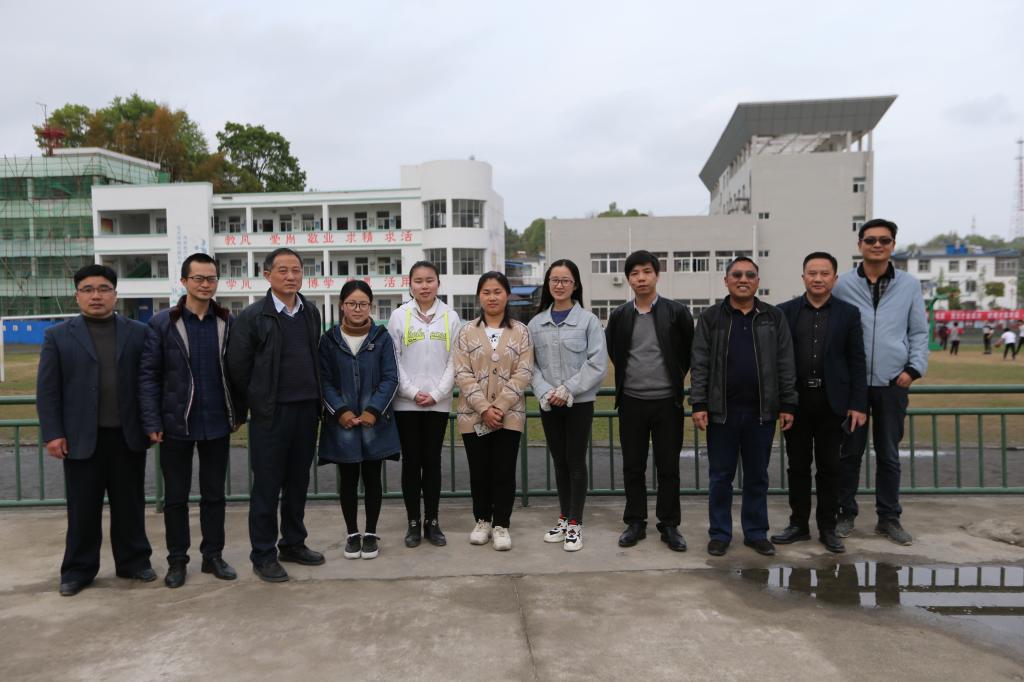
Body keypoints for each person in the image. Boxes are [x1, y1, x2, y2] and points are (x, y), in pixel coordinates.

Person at [37, 264, 155, 596]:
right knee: (82, 509)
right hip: (80, 439)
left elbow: (149, 382)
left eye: (103, 289)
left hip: (127, 436)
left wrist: (151, 424)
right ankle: (78, 570)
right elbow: (48, 390)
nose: (96, 296)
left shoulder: (138, 332)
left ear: (115, 294)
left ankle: (134, 562)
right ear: (77, 296)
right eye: (87, 289)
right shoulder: (58, 335)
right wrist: (53, 433)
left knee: (130, 505)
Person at [139, 253, 239, 588]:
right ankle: (177, 560)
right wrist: (152, 420)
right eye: (198, 278)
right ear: (184, 281)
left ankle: (213, 555)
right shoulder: (162, 323)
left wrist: (237, 412)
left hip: (217, 422)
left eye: (211, 278)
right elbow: (149, 376)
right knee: (176, 498)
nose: (205, 284)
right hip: (175, 424)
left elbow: (238, 373)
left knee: (214, 495)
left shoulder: (226, 321)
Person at [226, 247, 325, 582]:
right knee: (267, 487)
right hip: (271, 414)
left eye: (296, 270)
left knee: (298, 483)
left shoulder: (311, 312)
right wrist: (258, 400)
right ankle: (263, 554)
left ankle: (293, 543)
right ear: (267, 275)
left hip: (306, 411)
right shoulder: (253, 317)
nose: (291, 276)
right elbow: (238, 367)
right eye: (283, 270)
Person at [690, 256, 797, 557]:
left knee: (757, 477)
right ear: (726, 281)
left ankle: (755, 533)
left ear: (757, 282)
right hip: (721, 413)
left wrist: (788, 403)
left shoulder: (773, 317)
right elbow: (699, 362)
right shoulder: (711, 317)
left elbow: (785, 362)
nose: (743, 280)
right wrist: (699, 402)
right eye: (736, 274)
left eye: (750, 275)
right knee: (720, 477)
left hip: (761, 413)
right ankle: (720, 534)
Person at [833, 218, 928, 546]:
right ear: (860, 244)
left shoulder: (909, 285)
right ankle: (845, 513)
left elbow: (919, 331)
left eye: (884, 240)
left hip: (892, 383)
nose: (877, 245)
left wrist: (913, 369)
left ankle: (889, 518)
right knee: (849, 453)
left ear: (893, 245)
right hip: (853, 386)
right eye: (870, 239)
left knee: (888, 454)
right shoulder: (843, 284)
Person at [771, 252, 867, 554]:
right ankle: (798, 524)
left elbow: (857, 361)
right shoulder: (784, 312)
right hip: (796, 404)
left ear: (834, 279)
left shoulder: (848, 314)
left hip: (832, 404)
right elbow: (777, 361)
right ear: (803, 277)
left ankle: (828, 527)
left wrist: (858, 404)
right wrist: (783, 403)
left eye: (824, 273)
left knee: (830, 468)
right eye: (812, 273)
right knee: (797, 467)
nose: (818, 278)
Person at [605, 250, 693, 552]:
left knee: (669, 468)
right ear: (628, 279)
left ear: (657, 275)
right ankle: (635, 522)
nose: (641, 278)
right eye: (634, 273)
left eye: (646, 271)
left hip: (668, 403)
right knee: (633, 466)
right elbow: (615, 352)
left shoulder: (677, 312)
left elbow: (686, 352)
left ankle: (669, 524)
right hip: (632, 402)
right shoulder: (619, 316)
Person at [528, 259, 607, 551]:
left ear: (575, 285)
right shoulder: (536, 324)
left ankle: (575, 523)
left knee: (575, 461)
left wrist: (567, 389)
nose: (559, 285)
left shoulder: (588, 321)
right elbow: (530, 366)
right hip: (549, 404)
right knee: (559, 462)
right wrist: (546, 392)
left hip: (579, 403)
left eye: (565, 280)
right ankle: (563, 517)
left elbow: (597, 363)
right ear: (548, 284)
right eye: (554, 280)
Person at [319, 280, 400, 560]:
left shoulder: (381, 338)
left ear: (370, 307)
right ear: (342, 306)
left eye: (363, 304)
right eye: (352, 303)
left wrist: (372, 411)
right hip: (342, 423)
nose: (357, 308)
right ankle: (352, 534)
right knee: (348, 480)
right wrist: (341, 411)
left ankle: (371, 533)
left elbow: (391, 378)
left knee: (373, 478)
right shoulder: (329, 340)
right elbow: (324, 380)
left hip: (373, 422)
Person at [454, 272, 534, 551]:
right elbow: (462, 373)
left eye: (497, 291)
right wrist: (484, 408)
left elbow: (524, 372)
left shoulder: (521, 331)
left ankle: (501, 524)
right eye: (486, 292)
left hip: (509, 416)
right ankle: (482, 521)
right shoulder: (466, 332)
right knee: (479, 471)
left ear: (507, 295)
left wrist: (498, 407)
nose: (492, 297)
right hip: (473, 415)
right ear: (479, 296)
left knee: (504, 471)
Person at [387, 261, 461, 549]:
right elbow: (393, 359)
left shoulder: (450, 317)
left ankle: (432, 521)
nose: (425, 285)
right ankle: (413, 523)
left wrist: (438, 393)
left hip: (438, 404)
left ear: (438, 283)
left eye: (430, 280)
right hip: (407, 404)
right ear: (410, 285)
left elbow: (455, 360)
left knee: (432, 462)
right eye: (418, 281)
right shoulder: (399, 316)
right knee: (411, 463)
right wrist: (412, 392)